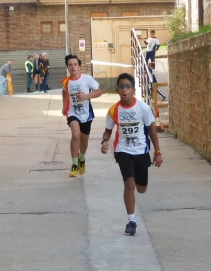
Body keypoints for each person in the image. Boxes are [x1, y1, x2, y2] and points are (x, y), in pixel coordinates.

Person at [101, 73, 163, 236]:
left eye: (128, 87)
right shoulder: (114, 110)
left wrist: (157, 152)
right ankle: (132, 221)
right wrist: (104, 141)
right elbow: (108, 130)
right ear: (117, 90)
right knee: (129, 183)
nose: (124, 90)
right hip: (123, 151)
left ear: (133, 90)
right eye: (121, 86)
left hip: (141, 151)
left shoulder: (143, 108)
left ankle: (137, 189)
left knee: (141, 188)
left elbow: (151, 130)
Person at [62, 54, 102, 177]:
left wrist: (86, 96)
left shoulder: (87, 79)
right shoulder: (66, 81)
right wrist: (64, 106)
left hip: (86, 114)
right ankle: (74, 164)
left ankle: (82, 159)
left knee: (84, 140)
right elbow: (64, 92)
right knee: (75, 135)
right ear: (67, 67)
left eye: (75, 64)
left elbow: (99, 92)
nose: (73, 67)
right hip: (72, 112)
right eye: (70, 65)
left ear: (79, 66)